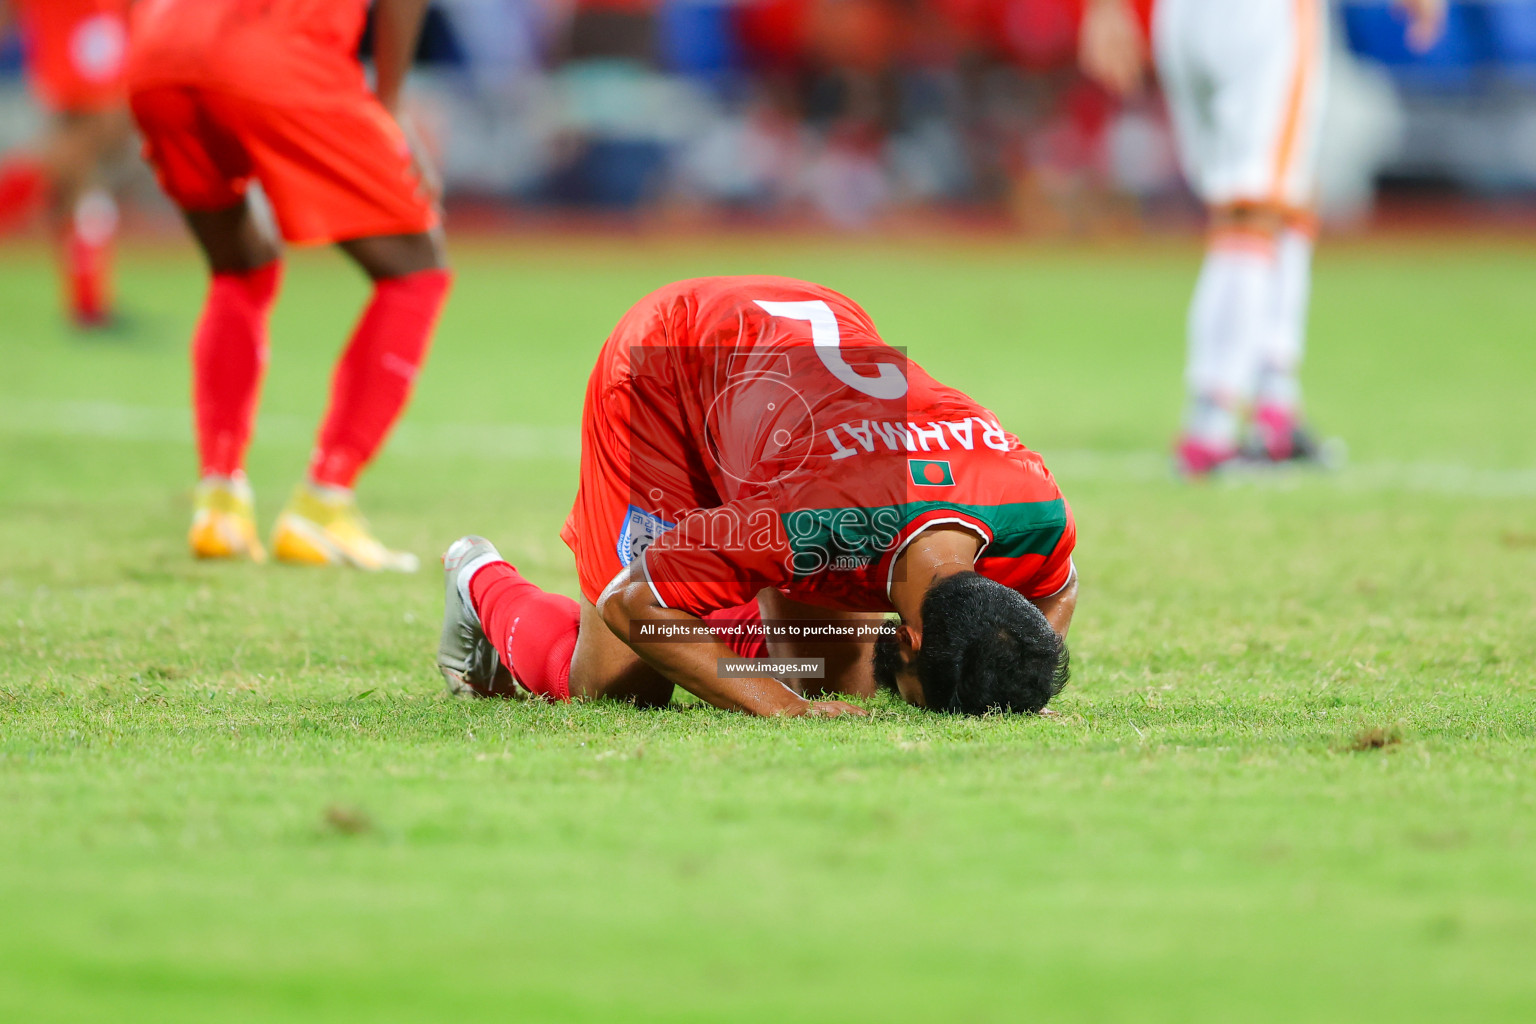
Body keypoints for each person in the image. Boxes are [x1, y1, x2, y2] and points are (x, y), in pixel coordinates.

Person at [437, 276, 1078, 718]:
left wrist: (1017, 677)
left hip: (804, 361)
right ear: (908, 638)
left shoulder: (1036, 509)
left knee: (840, 683)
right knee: (621, 687)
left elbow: (1057, 590)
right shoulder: (805, 520)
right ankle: (478, 578)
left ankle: (721, 608)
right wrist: (781, 706)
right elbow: (632, 604)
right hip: (670, 367)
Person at [125, 0, 452, 570]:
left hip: (159, 48)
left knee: (239, 264)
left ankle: (220, 502)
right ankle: (325, 503)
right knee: (415, 267)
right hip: (275, 47)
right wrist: (389, 104)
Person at [1079, 0, 1446, 475]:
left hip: (1181, 18)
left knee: (1279, 192)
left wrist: (1105, 9)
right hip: (1264, 16)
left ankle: (1275, 406)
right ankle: (1211, 427)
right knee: (1253, 207)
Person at [0, 0, 133, 327]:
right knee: (88, 141)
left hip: (95, 29)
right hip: (82, 33)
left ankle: (88, 302)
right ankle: (88, 303)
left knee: (78, 175)